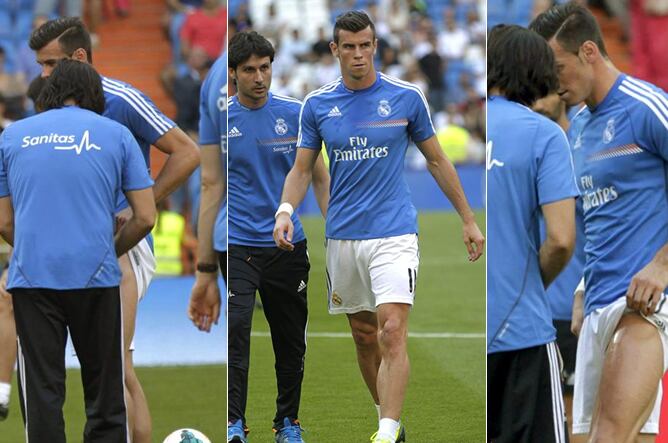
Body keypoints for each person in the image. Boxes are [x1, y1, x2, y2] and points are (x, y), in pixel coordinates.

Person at [273, 11, 484, 443]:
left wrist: (468, 218)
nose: (357, 54)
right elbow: (301, 169)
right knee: (364, 334)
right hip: (343, 236)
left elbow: (438, 160)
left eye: (365, 45)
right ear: (335, 50)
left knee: (391, 329)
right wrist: (284, 210)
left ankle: (385, 434)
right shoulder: (316, 105)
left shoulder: (406, 98)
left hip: (395, 232)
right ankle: (387, 417)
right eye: (348, 47)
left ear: (376, 47)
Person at [26, 17, 200, 442]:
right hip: (72, 246)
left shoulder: (120, 99)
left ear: (78, 57)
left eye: (49, 65)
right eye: (40, 66)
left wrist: (142, 202)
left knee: (113, 366)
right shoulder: (49, 109)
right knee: (105, 367)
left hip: (122, 244)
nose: (42, 75)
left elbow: (187, 152)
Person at [531, 3, 668, 442]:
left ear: (589, 51)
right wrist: (581, 287)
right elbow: (597, 217)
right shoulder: (579, 127)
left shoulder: (647, 107)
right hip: (595, 305)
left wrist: (662, 266)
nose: (553, 83)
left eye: (558, 67)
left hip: (645, 304)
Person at [0, 58, 155, 442]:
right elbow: (146, 217)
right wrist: (110, 247)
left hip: (33, 280)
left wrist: (37, 248)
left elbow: (3, 221)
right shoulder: (115, 134)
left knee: (43, 393)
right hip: (96, 276)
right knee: (105, 395)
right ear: (93, 94)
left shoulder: (12, 136)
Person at [227, 31, 329, 443]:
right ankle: (234, 421)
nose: (259, 77)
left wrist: (337, 233)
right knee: (235, 329)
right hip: (236, 246)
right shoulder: (221, 120)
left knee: (290, 340)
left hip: (287, 247)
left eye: (264, 68)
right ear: (233, 74)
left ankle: (287, 422)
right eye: (249, 70)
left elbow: (318, 177)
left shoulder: (296, 113)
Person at [486, 24, 578, 443]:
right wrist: (528, 285)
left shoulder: (474, 123)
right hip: (521, 328)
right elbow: (561, 239)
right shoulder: (546, 135)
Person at [533, 92, 586, 441]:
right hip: (536, 311)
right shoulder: (527, 143)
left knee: (577, 415)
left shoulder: (583, 147)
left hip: (576, 308)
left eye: (545, 87)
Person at [188, 51, 227, 333]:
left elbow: (211, 183)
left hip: (230, 235)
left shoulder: (213, 78)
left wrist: (205, 271)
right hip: (281, 232)